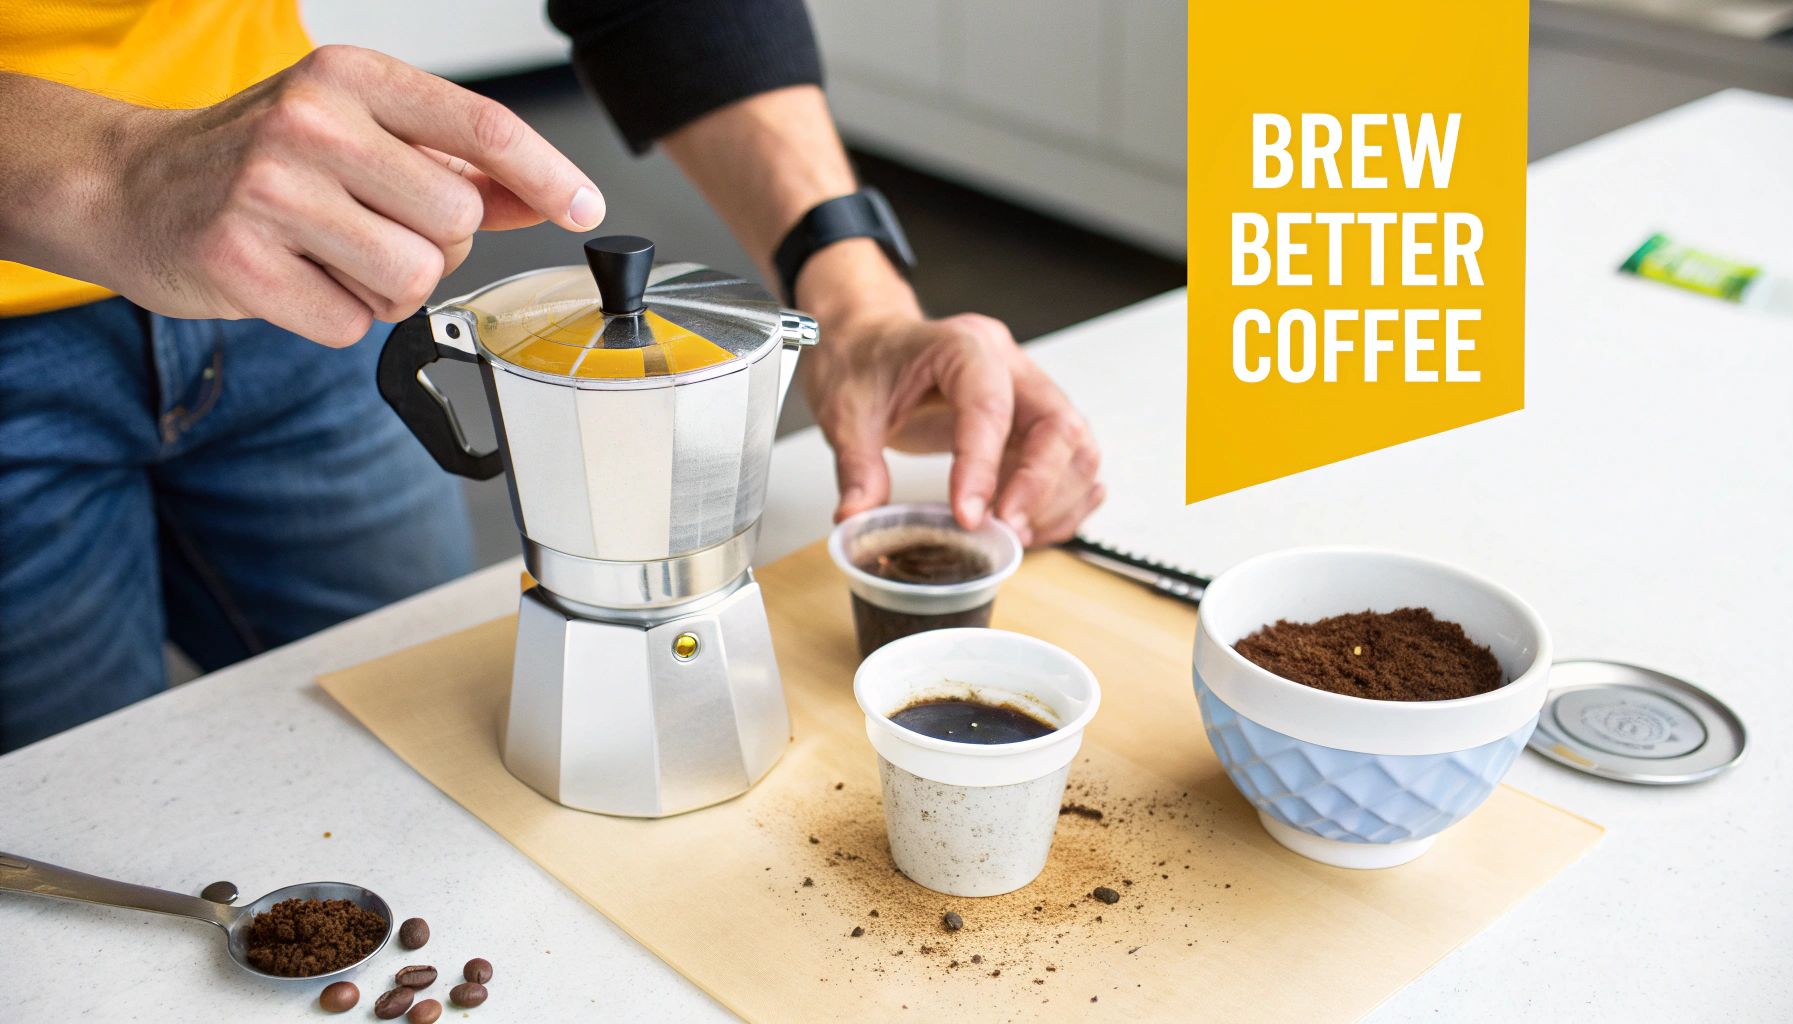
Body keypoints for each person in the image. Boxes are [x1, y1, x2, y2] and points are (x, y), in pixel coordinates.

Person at [0, 0, 1104, 752]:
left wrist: (855, 304)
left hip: (297, 253)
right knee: (64, 808)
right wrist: (112, 168)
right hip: (85, 252)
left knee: (411, 716)